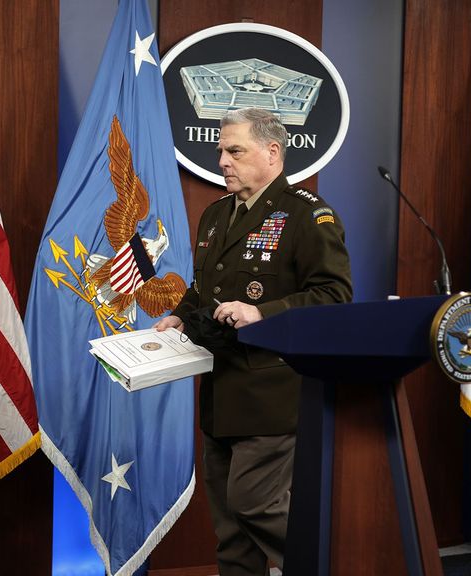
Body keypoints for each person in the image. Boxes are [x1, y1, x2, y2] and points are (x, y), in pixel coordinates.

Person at [154, 107, 352, 575]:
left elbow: (335, 295)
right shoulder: (217, 214)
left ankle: (325, 565)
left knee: (254, 503)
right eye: (221, 150)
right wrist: (179, 319)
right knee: (231, 534)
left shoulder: (307, 214)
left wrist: (262, 312)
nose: (223, 160)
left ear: (272, 152)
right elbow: (203, 291)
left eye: (235, 151)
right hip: (220, 391)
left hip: (272, 393)